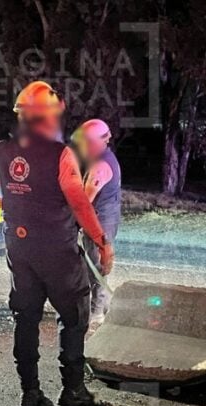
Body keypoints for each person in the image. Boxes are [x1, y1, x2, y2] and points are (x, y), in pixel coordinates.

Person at [0, 81, 115, 406]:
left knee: (26, 317)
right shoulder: (60, 155)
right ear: (47, 117)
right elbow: (79, 202)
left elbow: (12, 194)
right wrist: (102, 242)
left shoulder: (1, 150)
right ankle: (73, 390)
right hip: (56, 250)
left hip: (19, 248)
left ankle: (30, 392)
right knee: (74, 316)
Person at [71, 119, 122, 324]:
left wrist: (72, 222)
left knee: (96, 266)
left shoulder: (101, 165)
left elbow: (85, 201)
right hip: (107, 217)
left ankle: (97, 312)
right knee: (96, 264)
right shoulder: (105, 158)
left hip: (100, 221)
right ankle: (104, 305)